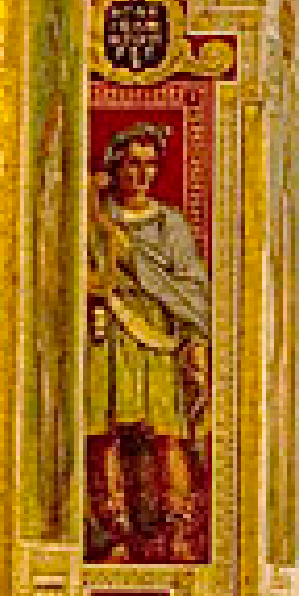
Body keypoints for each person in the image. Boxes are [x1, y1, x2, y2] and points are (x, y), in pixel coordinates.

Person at [86, 126, 213, 561]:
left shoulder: (169, 224)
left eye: (149, 165)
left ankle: (177, 533)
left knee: (167, 436)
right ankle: (116, 533)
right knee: (106, 437)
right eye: (132, 164)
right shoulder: (95, 217)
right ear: (116, 167)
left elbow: (192, 290)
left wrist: (195, 344)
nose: (141, 174)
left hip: (157, 335)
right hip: (108, 332)